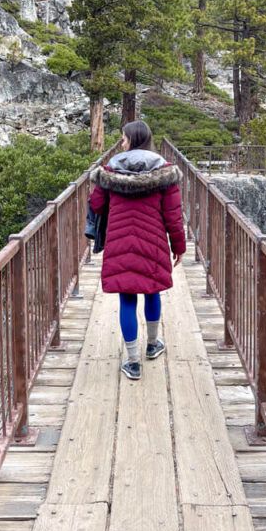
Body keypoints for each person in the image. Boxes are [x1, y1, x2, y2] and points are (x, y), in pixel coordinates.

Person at [88, 120, 186, 380]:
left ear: (132, 139)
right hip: (152, 243)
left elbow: (96, 205)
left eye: (123, 138)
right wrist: (179, 246)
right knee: (152, 292)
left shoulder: (111, 170)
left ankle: (132, 362)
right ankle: (153, 345)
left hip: (119, 243)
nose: (121, 143)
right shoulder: (164, 172)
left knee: (127, 299)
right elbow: (173, 216)